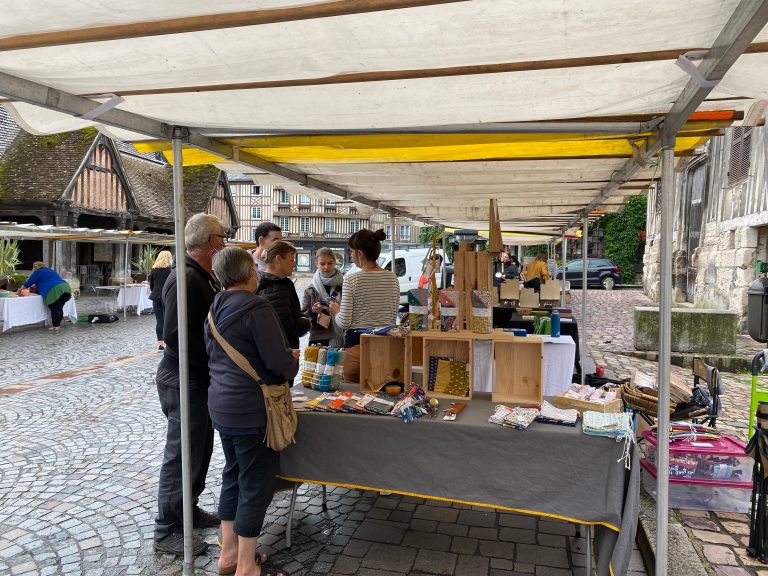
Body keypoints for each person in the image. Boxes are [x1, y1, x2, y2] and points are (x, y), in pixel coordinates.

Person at [205, 247, 298, 576]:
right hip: (252, 411)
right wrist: (294, 361)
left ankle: (228, 553)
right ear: (248, 274)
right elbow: (278, 362)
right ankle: (246, 565)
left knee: (232, 476)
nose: (258, 272)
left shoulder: (215, 306)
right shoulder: (257, 306)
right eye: (255, 269)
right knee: (256, 484)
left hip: (221, 407)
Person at [153, 214, 226, 556]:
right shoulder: (184, 277)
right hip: (183, 380)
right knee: (181, 456)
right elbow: (174, 335)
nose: (225, 243)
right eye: (223, 237)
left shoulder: (200, 276)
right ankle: (166, 529)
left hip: (199, 380)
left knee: (199, 451)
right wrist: (213, 361)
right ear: (212, 242)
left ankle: (188, 510)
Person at [328, 229, 399, 383]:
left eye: (352, 252)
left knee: (355, 401)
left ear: (359, 253)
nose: (351, 256)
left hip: (359, 350)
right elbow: (392, 314)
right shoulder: (392, 278)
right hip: (388, 349)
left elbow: (344, 322)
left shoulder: (352, 279)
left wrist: (336, 311)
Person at [256, 241, 311, 356]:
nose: (294, 264)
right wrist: (306, 322)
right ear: (278, 259)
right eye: (291, 260)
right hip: (280, 353)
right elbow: (285, 326)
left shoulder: (266, 282)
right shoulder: (277, 287)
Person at [301, 248, 343, 346]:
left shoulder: (344, 285)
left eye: (330, 263)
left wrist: (339, 309)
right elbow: (303, 314)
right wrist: (313, 311)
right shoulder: (311, 289)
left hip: (342, 334)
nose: (326, 267)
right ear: (317, 264)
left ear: (335, 263)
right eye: (322, 264)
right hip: (319, 337)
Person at [20, 261, 72, 332]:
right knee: (59, 307)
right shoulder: (50, 271)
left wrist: (18, 290)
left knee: (55, 308)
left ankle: (56, 326)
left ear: (36, 267)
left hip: (54, 289)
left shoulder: (38, 272)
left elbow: (28, 283)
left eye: (35, 266)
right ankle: (57, 325)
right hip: (65, 287)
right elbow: (51, 280)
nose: (34, 268)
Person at [148, 249, 173, 351]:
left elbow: (151, 285)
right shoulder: (170, 270)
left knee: (159, 320)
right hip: (167, 297)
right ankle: (169, 342)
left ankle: (161, 344)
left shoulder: (154, 270)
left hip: (156, 297)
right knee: (169, 320)